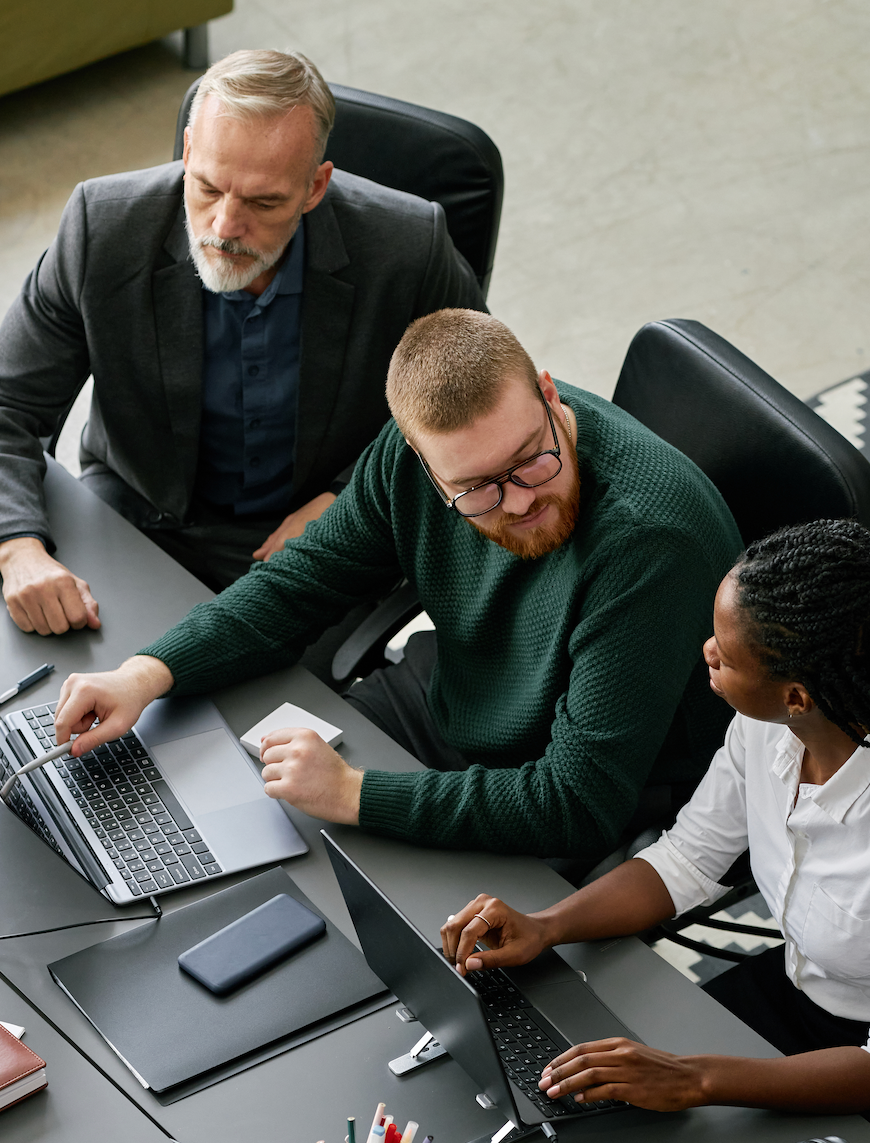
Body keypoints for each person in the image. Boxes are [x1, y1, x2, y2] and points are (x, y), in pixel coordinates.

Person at [51, 309, 742, 861]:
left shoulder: (650, 541)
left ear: (550, 394)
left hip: (589, 779)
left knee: (349, 919)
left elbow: (579, 803)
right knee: (220, 824)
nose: (520, 501)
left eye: (530, 460)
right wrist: (146, 675)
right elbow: (298, 584)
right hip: (462, 699)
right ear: (421, 459)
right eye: (475, 488)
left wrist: (355, 795)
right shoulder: (406, 462)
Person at [441, 519, 870, 1143]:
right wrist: (547, 925)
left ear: (796, 695)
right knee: (617, 1120)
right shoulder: (769, 728)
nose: (706, 651)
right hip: (801, 990)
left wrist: (698, 1079)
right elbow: (686, 860)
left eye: (725, 650)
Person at [0, 48, 485, 641]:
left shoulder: (409, 246)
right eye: (205, 187)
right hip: (139, 516)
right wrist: (17, 549)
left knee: (268, 721)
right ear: (186, 151)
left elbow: (476, 409)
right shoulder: (102, 226)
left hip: (317, 537)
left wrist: (349, 501)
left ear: (315, 187)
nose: (224, 227)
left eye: (263, 202)